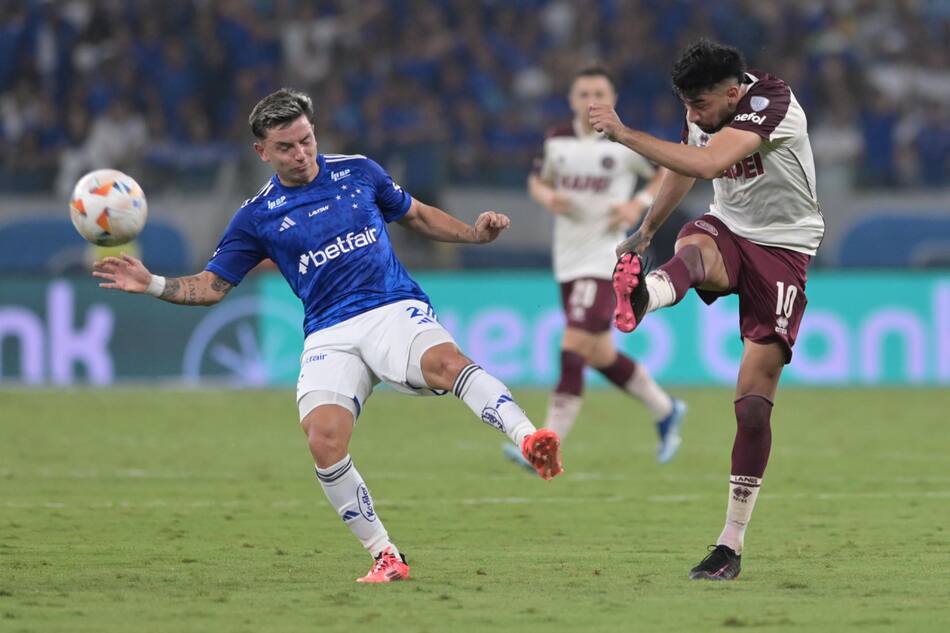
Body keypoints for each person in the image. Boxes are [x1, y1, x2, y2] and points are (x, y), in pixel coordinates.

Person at [92, 88, 563, 583]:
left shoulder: (359, 171)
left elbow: (417, 215)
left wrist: (473, 233)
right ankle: (385, 555)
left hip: (390, 307)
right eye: (287, 147)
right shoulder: (256, 217)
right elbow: (211, 287)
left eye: (306, 140)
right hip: (328, 332)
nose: (301, 154)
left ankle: (530, 439)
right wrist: (154, 284)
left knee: (448, 363)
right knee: (323, 440)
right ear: (263, 152)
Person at [589, 39, 824, 580]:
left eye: (699, 106)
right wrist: (647, 229)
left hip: (785, 249)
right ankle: (644, 295)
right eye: (686, 107)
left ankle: (730, 544)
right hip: (729, 228)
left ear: (732, 92)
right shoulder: (706, 112)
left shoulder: (772, 104)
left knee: (752, 406)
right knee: (694, 250)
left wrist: (624, 133)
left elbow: (709, 160)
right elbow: (686, 166)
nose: (692, 116)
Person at [503, 67, 686, 472]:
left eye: (598, 92)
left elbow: (663, 174)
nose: (590, 99)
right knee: (599, 353)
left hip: (605, 259)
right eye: (583, 92)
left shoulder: (623, 142)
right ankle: (666, 409)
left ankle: (540, 445)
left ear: (612, 98)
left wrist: (636, 205)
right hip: (568, 259)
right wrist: (548, 196)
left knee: (572, 349)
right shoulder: (556, 141)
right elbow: (536, 182)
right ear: (571, 99)